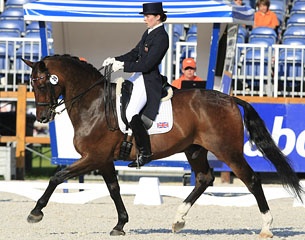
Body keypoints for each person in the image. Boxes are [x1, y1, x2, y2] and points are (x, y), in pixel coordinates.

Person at [102, 2, 169, 167]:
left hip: (148, 80)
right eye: (145, 16)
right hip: (138, 76)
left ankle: (145, 152)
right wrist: (116, 60)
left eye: (148, 16)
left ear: (158, 16)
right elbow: (134, 54)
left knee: (132, 112)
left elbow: (147, 65)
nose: (145, 19)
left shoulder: (161, 37)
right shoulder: (148, 32)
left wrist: (123, 67)